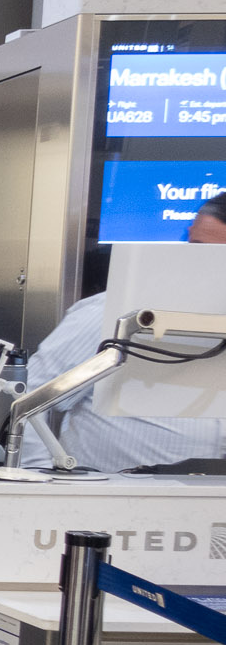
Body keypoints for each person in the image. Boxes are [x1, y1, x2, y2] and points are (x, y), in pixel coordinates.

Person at [20, 193, 226, 472]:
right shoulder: (117, 313)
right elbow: (28, 398)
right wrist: (39, 482)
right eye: (197, 248)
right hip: (106, 499)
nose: (207, 265)